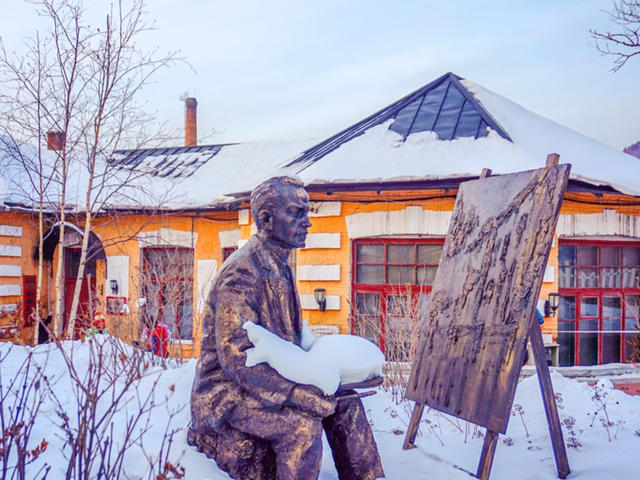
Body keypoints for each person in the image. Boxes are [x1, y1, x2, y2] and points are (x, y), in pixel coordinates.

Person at [189, 176, 384, 480]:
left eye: (308, 212)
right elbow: (236, 357)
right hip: (228, 392)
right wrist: (295, 393)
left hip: (264, 381)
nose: (307, 222)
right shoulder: (242, 272)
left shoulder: (279, 265)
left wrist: (343, 373)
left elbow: (293, 340)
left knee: (346, 403)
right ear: (266, 219)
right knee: (302, 427)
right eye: (296, 212)